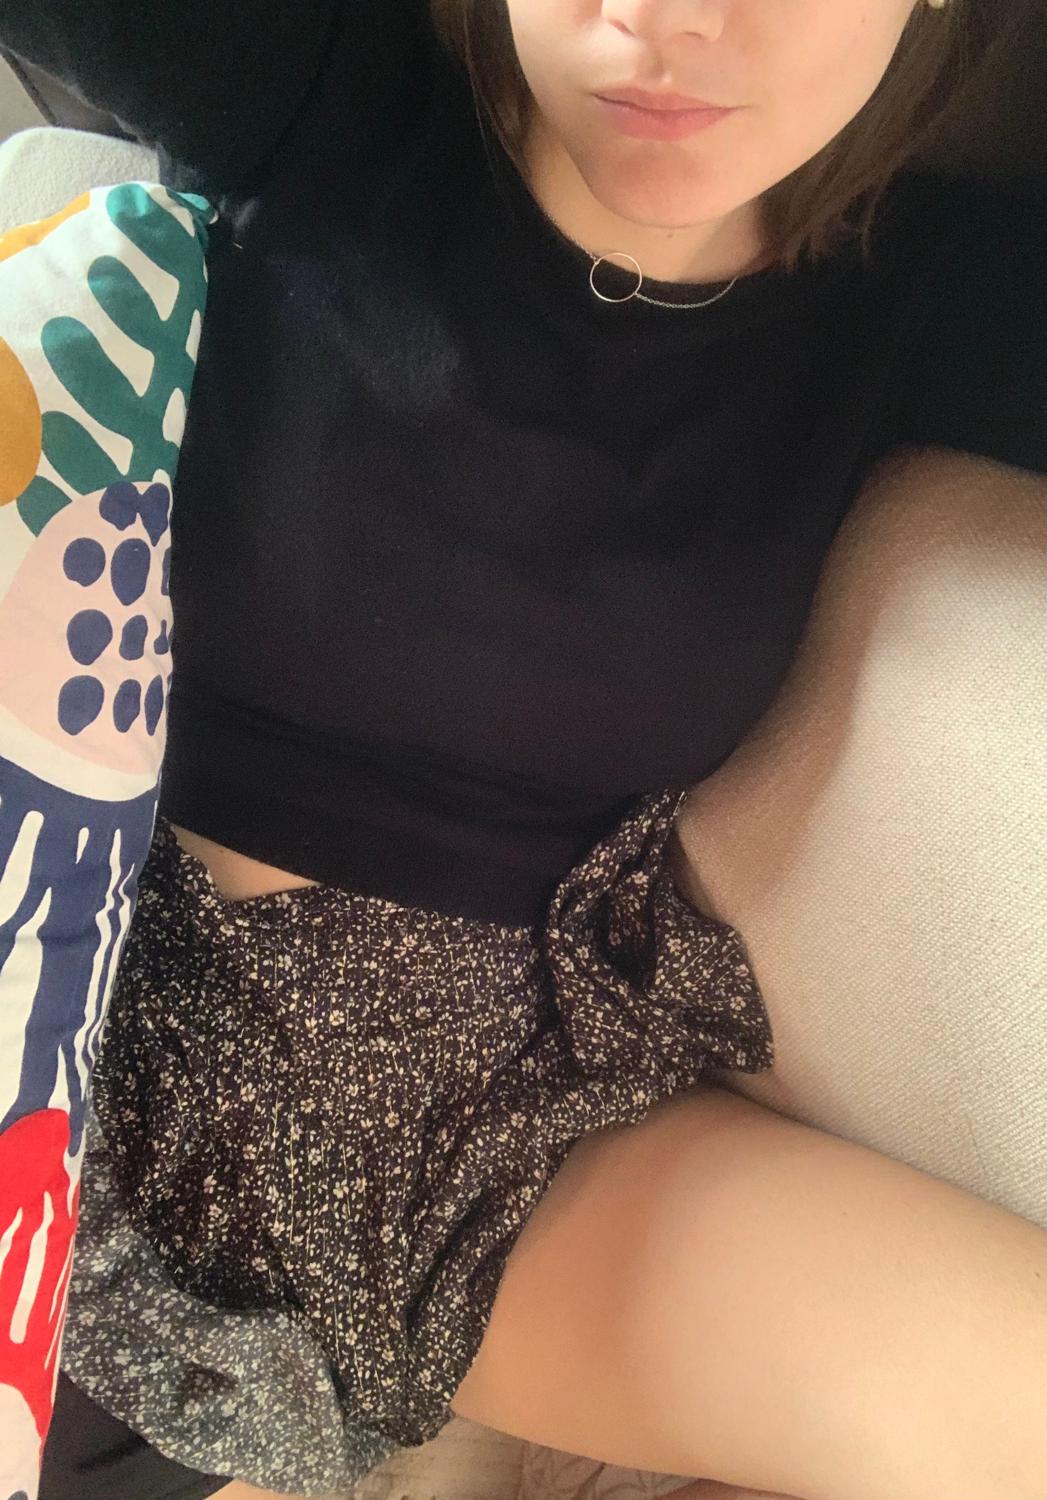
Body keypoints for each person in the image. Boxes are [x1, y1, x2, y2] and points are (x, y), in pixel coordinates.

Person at [2, 2, 1045, 1498]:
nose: (670, 16)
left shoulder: (930, 289)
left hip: (489, 1136)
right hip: (78, 1002)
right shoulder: (324, 94)